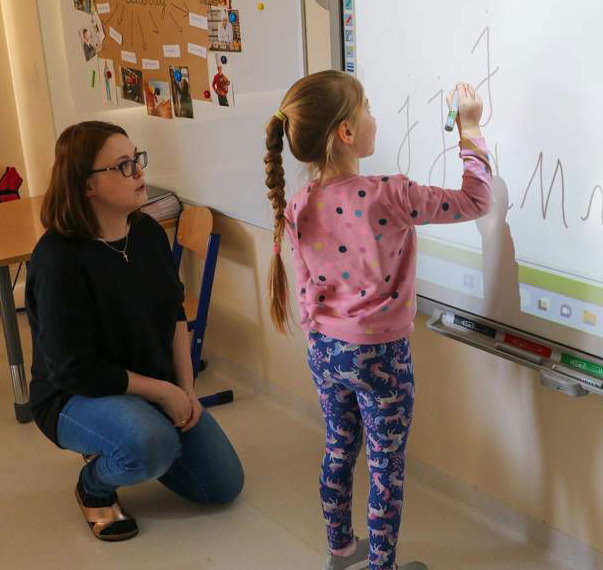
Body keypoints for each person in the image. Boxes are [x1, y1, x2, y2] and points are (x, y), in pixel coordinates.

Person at [263, 71, 491, 570]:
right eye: (366, 108)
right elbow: (476, 200)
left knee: (338, 448)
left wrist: (323, 332)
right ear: (346, 132)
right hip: (381, 355)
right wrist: (470, 128)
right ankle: (381, 565)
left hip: (325, 349)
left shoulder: (298, 202)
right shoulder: (391, 193)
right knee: (386, 465)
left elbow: (304, 285)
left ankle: (341, 549)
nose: (374, 117)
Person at [26, 121, 244, 541]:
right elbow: (75, 368)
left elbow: (174, 315)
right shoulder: (57, 258)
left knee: (222, 486)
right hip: (74, 394)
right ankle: (94, 485)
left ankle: (127, 434)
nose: (139, 172)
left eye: (137, 159)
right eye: (123, 165)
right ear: (87, 185)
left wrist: (186, 389)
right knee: (150, 443)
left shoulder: (145, 232)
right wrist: (163, 393)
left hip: (146, 383)